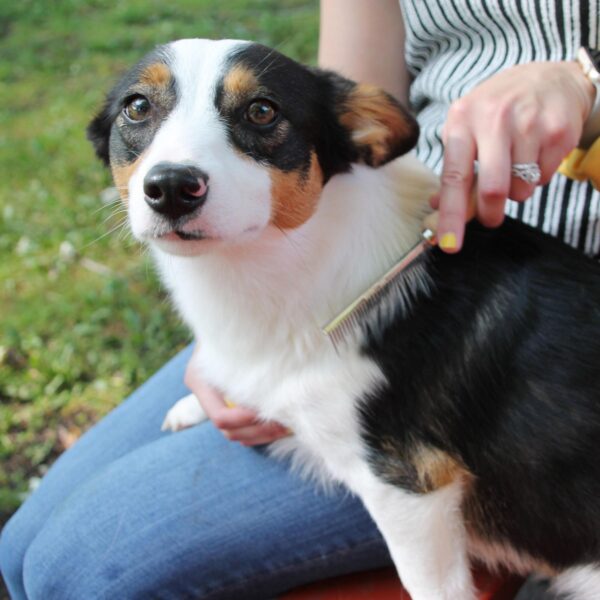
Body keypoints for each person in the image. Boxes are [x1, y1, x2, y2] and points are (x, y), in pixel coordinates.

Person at [1, 1, 598, 598]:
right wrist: (224, 349)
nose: (172, 174)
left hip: (488, 286)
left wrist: (587, 80)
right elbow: (331, 103)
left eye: (259, 113)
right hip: (344, 249)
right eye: (139, 110)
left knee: (73, 570)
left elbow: (412, 484)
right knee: (20, 549)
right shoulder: (334, 133)